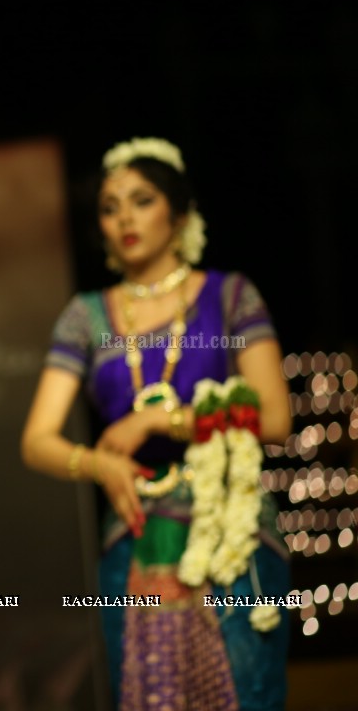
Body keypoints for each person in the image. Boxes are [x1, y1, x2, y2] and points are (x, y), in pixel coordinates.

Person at [20, 138, 291, 710]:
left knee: (246, 693)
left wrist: (158, 420)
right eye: (109, 206)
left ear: (180, 212)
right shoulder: (86, 316)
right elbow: (37, 440)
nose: (124, 218)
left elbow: (273, 418)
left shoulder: (228, 297)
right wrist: (95, 462)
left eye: (141, 200)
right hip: (135, 537)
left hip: (232, 541)